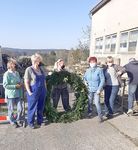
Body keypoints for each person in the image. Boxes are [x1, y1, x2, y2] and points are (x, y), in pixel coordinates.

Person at [24, 53, 46, 129]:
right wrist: (29, 92)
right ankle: (30, 122)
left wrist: (45, 89)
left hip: (42, 90)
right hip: (33, 91)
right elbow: (26, 82)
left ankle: (40, 121)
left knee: (41, 106)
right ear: (33, 61)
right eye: (36, 60)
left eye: (38, 61)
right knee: (32, 107)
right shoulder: (29, 69)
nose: (38, 62)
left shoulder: (41, 69)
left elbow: (44, 81)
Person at [84, 56, 105, 122]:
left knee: (97, 103)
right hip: (89, 89)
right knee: (89, 102)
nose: (92, 63)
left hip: (97, 90)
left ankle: (100, 116)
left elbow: (102, 80)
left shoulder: (99, 70)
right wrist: (85, 82)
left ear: (96, 63)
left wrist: (99, 89)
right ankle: (89, 113)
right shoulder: (88, 70)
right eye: (91, 62)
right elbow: (84, 77)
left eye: (93, 62)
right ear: (89, 63)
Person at [3, 59, 23, 128]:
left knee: (20, 109)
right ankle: (12, 122)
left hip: (18, 94)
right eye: (14, 64)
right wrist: (15, 86)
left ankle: (18, 120)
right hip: (10, 95)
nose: (15, 65)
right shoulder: (6, 74)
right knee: (11, 110)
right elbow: (5, 85)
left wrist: (20, 83)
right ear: (10, 65)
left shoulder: (17, 73)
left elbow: (20, 80)